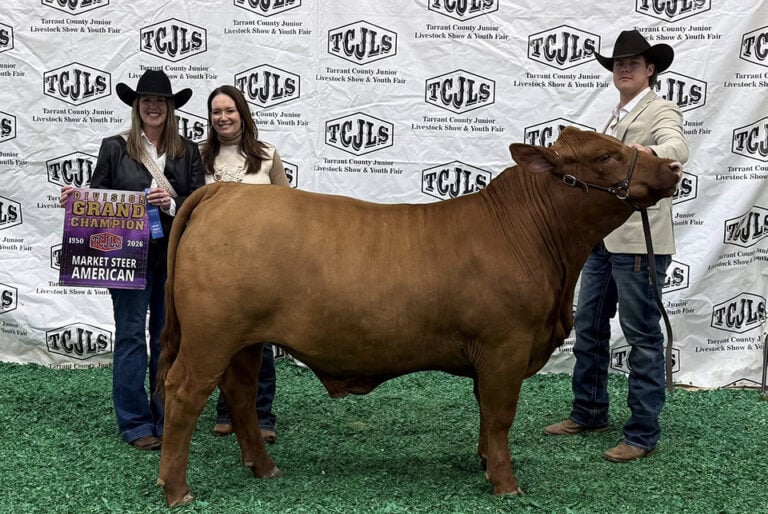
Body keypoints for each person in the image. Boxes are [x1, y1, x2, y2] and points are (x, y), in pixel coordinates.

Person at [543, 30, 689, 462]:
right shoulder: (612, 118)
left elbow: (676, 143)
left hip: (639, 242)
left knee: (642, 334)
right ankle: (588, 411)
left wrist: (653, 152)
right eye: (618, 63)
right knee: (588, 325)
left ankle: (642, 434)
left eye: (633, 63)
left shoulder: (662, 110)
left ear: (651, 70)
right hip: (604, 240)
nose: (624, 68)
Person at [60, 70, 205, 450]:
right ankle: (135, 423)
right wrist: (77, 199)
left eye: (160, 101)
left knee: (166, 339)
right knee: (128, 338)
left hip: (172, 259)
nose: (153, 106)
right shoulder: (114, 146)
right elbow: (98, 199)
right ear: (137, 106)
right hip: (124, 258)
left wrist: (170, 203)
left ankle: (165, 415)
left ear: (170, 108)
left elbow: (199, 204)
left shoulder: (187, 151)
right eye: (146, 101)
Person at [200, 84, 290, 443]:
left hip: (260, 267)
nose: (223, 117)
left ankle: (262, 414)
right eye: (216, 112)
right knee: (219, 342)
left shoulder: (267, 155)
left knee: (261, 342)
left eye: (229, 110)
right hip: (213, 266)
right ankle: (226, 412)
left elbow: (289, 208)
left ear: (243, 114)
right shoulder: (199, 157)